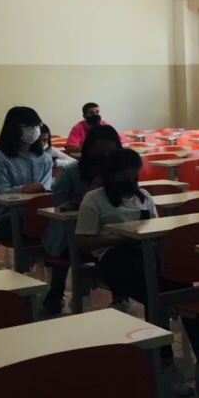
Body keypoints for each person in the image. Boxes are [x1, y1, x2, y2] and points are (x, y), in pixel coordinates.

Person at [75, 148, 199, 397]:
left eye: (134, 177)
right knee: (155, 294)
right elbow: (82, 241)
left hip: (145, 253)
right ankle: (165, 365)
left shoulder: (143, 196)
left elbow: (156, 230)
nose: (130, 182)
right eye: (124, 177)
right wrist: (119, 238)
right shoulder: (94, 199)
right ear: (112, 175)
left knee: (183, 286)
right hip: (113, 257)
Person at [40, 125, 122, 315]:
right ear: (89, 149)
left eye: (110, 153)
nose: (105, 157)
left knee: (121, 249)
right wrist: (87, 197)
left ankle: (120, 296)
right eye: (100, 153)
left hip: (105, 230)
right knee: (71, 246)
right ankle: (56, 291)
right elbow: (59, 205)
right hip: (69, 231)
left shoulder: (119, 172)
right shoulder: (71, 172)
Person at [0, 107, 53, 266]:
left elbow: (44, 191)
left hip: (39, 215)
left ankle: (56, 273)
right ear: (13, 128)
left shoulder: (44, 159)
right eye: (28, 127)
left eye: (37, 126)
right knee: (48, 228)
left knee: (64, 227)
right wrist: (22, 189)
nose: (34, 130)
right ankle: (24, 269)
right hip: (8, 218)